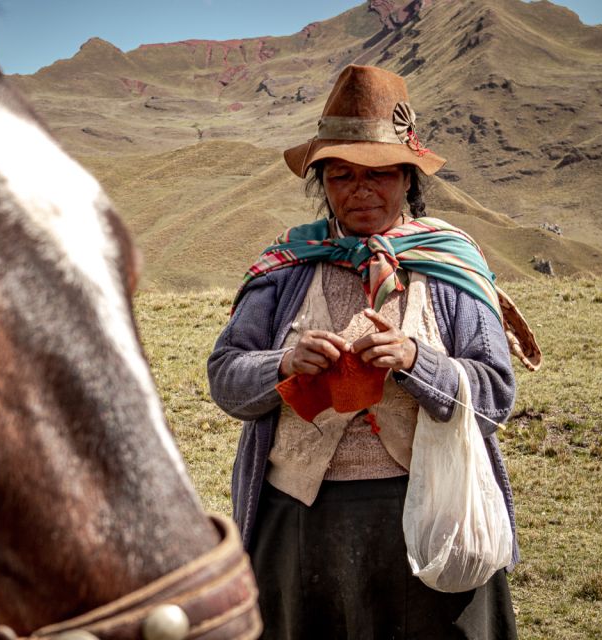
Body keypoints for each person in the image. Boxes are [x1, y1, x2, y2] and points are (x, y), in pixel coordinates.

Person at [208, 65, 525, 639]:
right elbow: (226, 376)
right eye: (342, 175)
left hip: (427, 511)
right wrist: (282, 362)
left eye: (379, 174)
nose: (361, 189)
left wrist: (416, 361)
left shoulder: (450, 265)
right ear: (322, 183)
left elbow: (496, 394)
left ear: (408, 179)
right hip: (301, 519)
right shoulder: (285, 266)